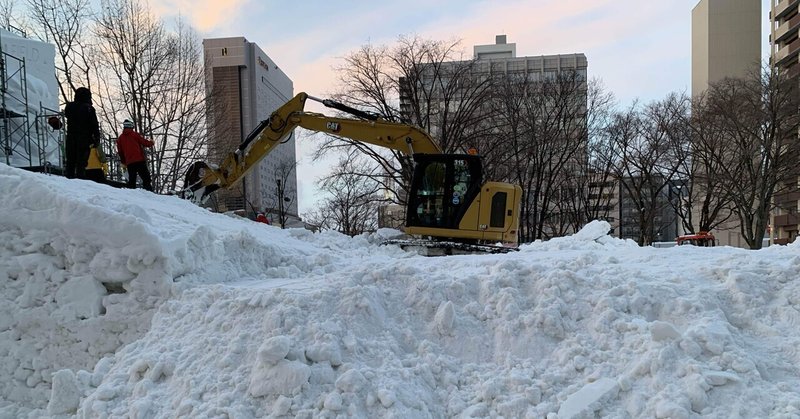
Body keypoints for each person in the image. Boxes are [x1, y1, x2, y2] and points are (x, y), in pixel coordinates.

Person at [63, 87, 101, 179]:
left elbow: (67, 115)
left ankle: (69, 179)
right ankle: (80, 180)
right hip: (84, 138)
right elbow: (94, 125)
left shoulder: (69, 106)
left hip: (71, 137)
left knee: (70, 160)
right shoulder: (89, 108)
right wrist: (96, 138)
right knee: (81, 162)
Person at [116, 119, 154, 191]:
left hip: (129, 162)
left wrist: (124, 162)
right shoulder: (135, 135)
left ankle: (132, 195)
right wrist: (151, 142)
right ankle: (148, 192)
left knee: (132, 179)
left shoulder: (120, 139)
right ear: (131, 126)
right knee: (146, 178)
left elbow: (120, 152)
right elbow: (145, 143)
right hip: (139, 160)